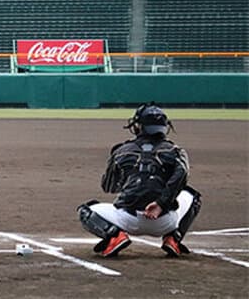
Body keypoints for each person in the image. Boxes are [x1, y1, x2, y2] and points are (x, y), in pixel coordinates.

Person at [77, 104, 202, 258]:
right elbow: (182, 175)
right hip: (164, 222)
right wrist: (161, 203)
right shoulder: (176, 151)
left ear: (139, 126)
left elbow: (108, 186)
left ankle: (114, 236)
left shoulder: (121, 150)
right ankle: (173, 239)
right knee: (192, 196)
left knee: (86, 210)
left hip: (128, 219)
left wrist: (132, 178)